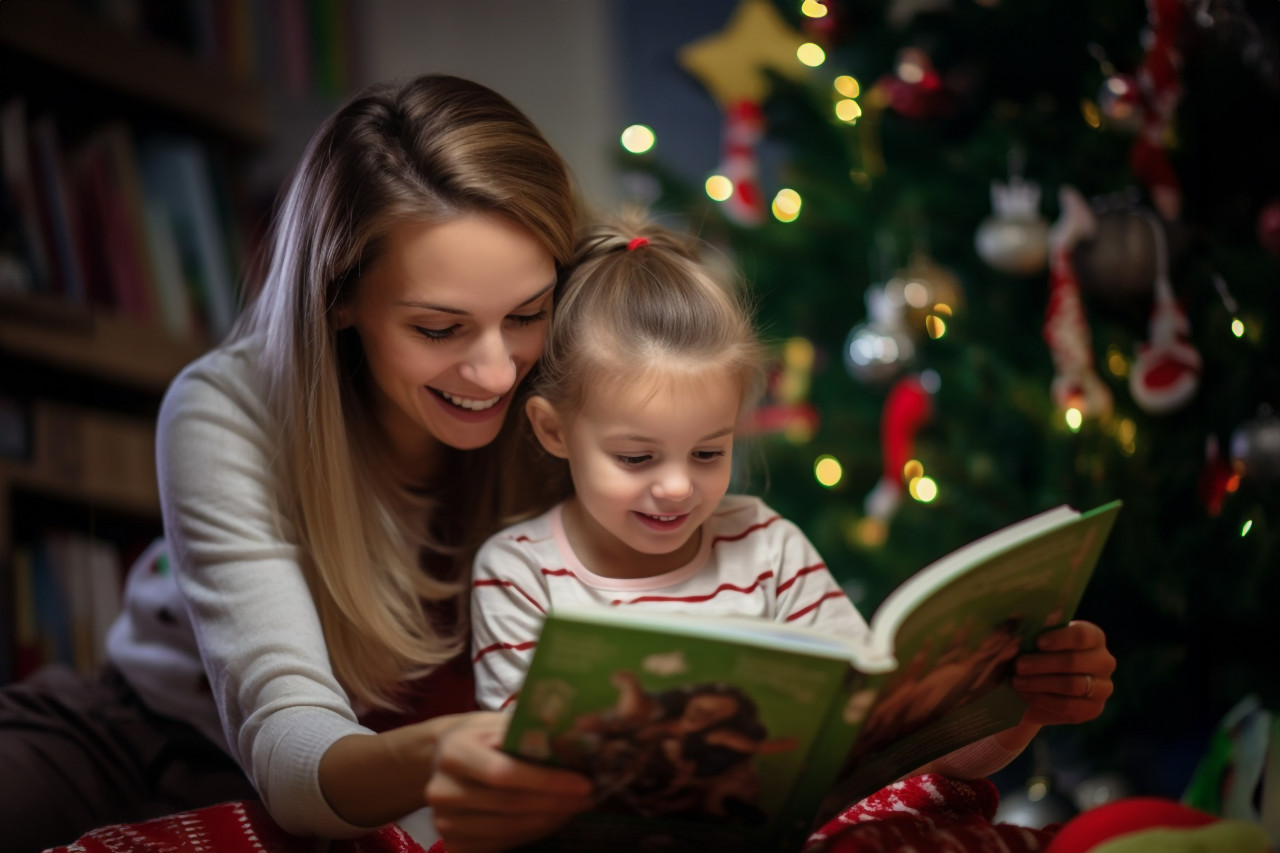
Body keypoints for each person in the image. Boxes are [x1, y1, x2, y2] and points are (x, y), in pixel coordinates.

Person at [0, 74, 595, 853]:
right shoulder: (225, 409)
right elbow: (290, 745)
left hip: (381, 786)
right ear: (339, 296)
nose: (495, 373)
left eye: (526, 314)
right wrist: (443, 752)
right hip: (145, 733)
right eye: (440, 328)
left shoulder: (572, 399)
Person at [468, 218, 1117, 812]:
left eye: (707, 451)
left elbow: (906, 753)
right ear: (553, 430)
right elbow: (528, 786)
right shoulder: (518, 570)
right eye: (636, 457)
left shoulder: (764, 545)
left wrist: (1020, 705)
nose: (675, 487)